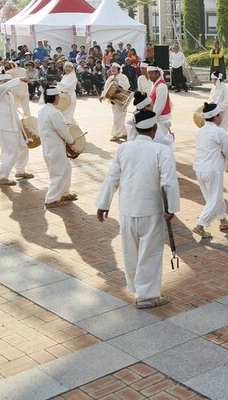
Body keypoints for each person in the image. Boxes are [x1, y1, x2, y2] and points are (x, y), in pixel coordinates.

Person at [95, 110, 179, 310]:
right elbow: (168, 183)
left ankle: (137, 288)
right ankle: (146, 295)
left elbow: (112, 178)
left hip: (127, 209)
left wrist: (103, 203)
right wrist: (171, 208)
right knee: (150, 252)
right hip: (151, 209)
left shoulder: (124, 149)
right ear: (154, 127)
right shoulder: (161, 150)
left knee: (131, 251)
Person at [192, 102, 228, 239]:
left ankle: (223, 221)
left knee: (212, 198)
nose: (222, 117)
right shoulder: (220, 131)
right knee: (215, 200)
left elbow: (213, 144)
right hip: (212, 170)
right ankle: (200, 225)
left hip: (199, 168)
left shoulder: (200, 131)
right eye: (220, 115)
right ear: (215, 117)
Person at [0, 73, 32, 186]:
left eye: (8, 81)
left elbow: (13, 111)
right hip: (4, 128)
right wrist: (19, 79)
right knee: (10, 152)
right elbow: (5, 86)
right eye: (3, 81)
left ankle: (20, 171)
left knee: (23, 147)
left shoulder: (9, 94)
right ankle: (2, 177)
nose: (6, 84)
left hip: (14, 126)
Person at [38, 87, 76, 208]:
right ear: (55, 97)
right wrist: (71, 140)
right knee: (59, 172)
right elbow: (62, 130)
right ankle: (51, 199)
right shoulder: (55, 112)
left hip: (48, 146)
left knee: (65, 169)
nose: (59, 98)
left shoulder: (43, 110)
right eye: (58, 96)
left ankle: (64, 193)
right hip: (55, 146)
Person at [101, 63, 131, 142]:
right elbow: (106, 88)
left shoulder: (123, 77)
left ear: (118, 69)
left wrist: (118, 82)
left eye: (114, 68)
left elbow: (127, 86)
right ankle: (124, 132)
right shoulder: (110, 78)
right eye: (112, 68)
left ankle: (116, 134)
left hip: (122, 100)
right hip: (113, 100)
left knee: (117, 118)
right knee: (118, 117)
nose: (112, 69)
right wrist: (102, 95)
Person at [147, 66, 173, 147]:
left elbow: (159, 106)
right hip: (156, 118)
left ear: (157, 73)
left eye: (152, 73)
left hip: (161, 119)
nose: (150, 75)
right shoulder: (154, 84)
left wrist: (151, 118)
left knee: (161, 142)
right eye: (149, 73)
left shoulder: (161, 86)